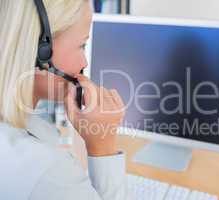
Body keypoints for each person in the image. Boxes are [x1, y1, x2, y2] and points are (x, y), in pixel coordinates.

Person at [0, 0, 127, 199]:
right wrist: (103, 146)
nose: (85, 62)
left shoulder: (23, 129)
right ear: (41, 49)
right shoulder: (46, 172)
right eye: (82, 45)